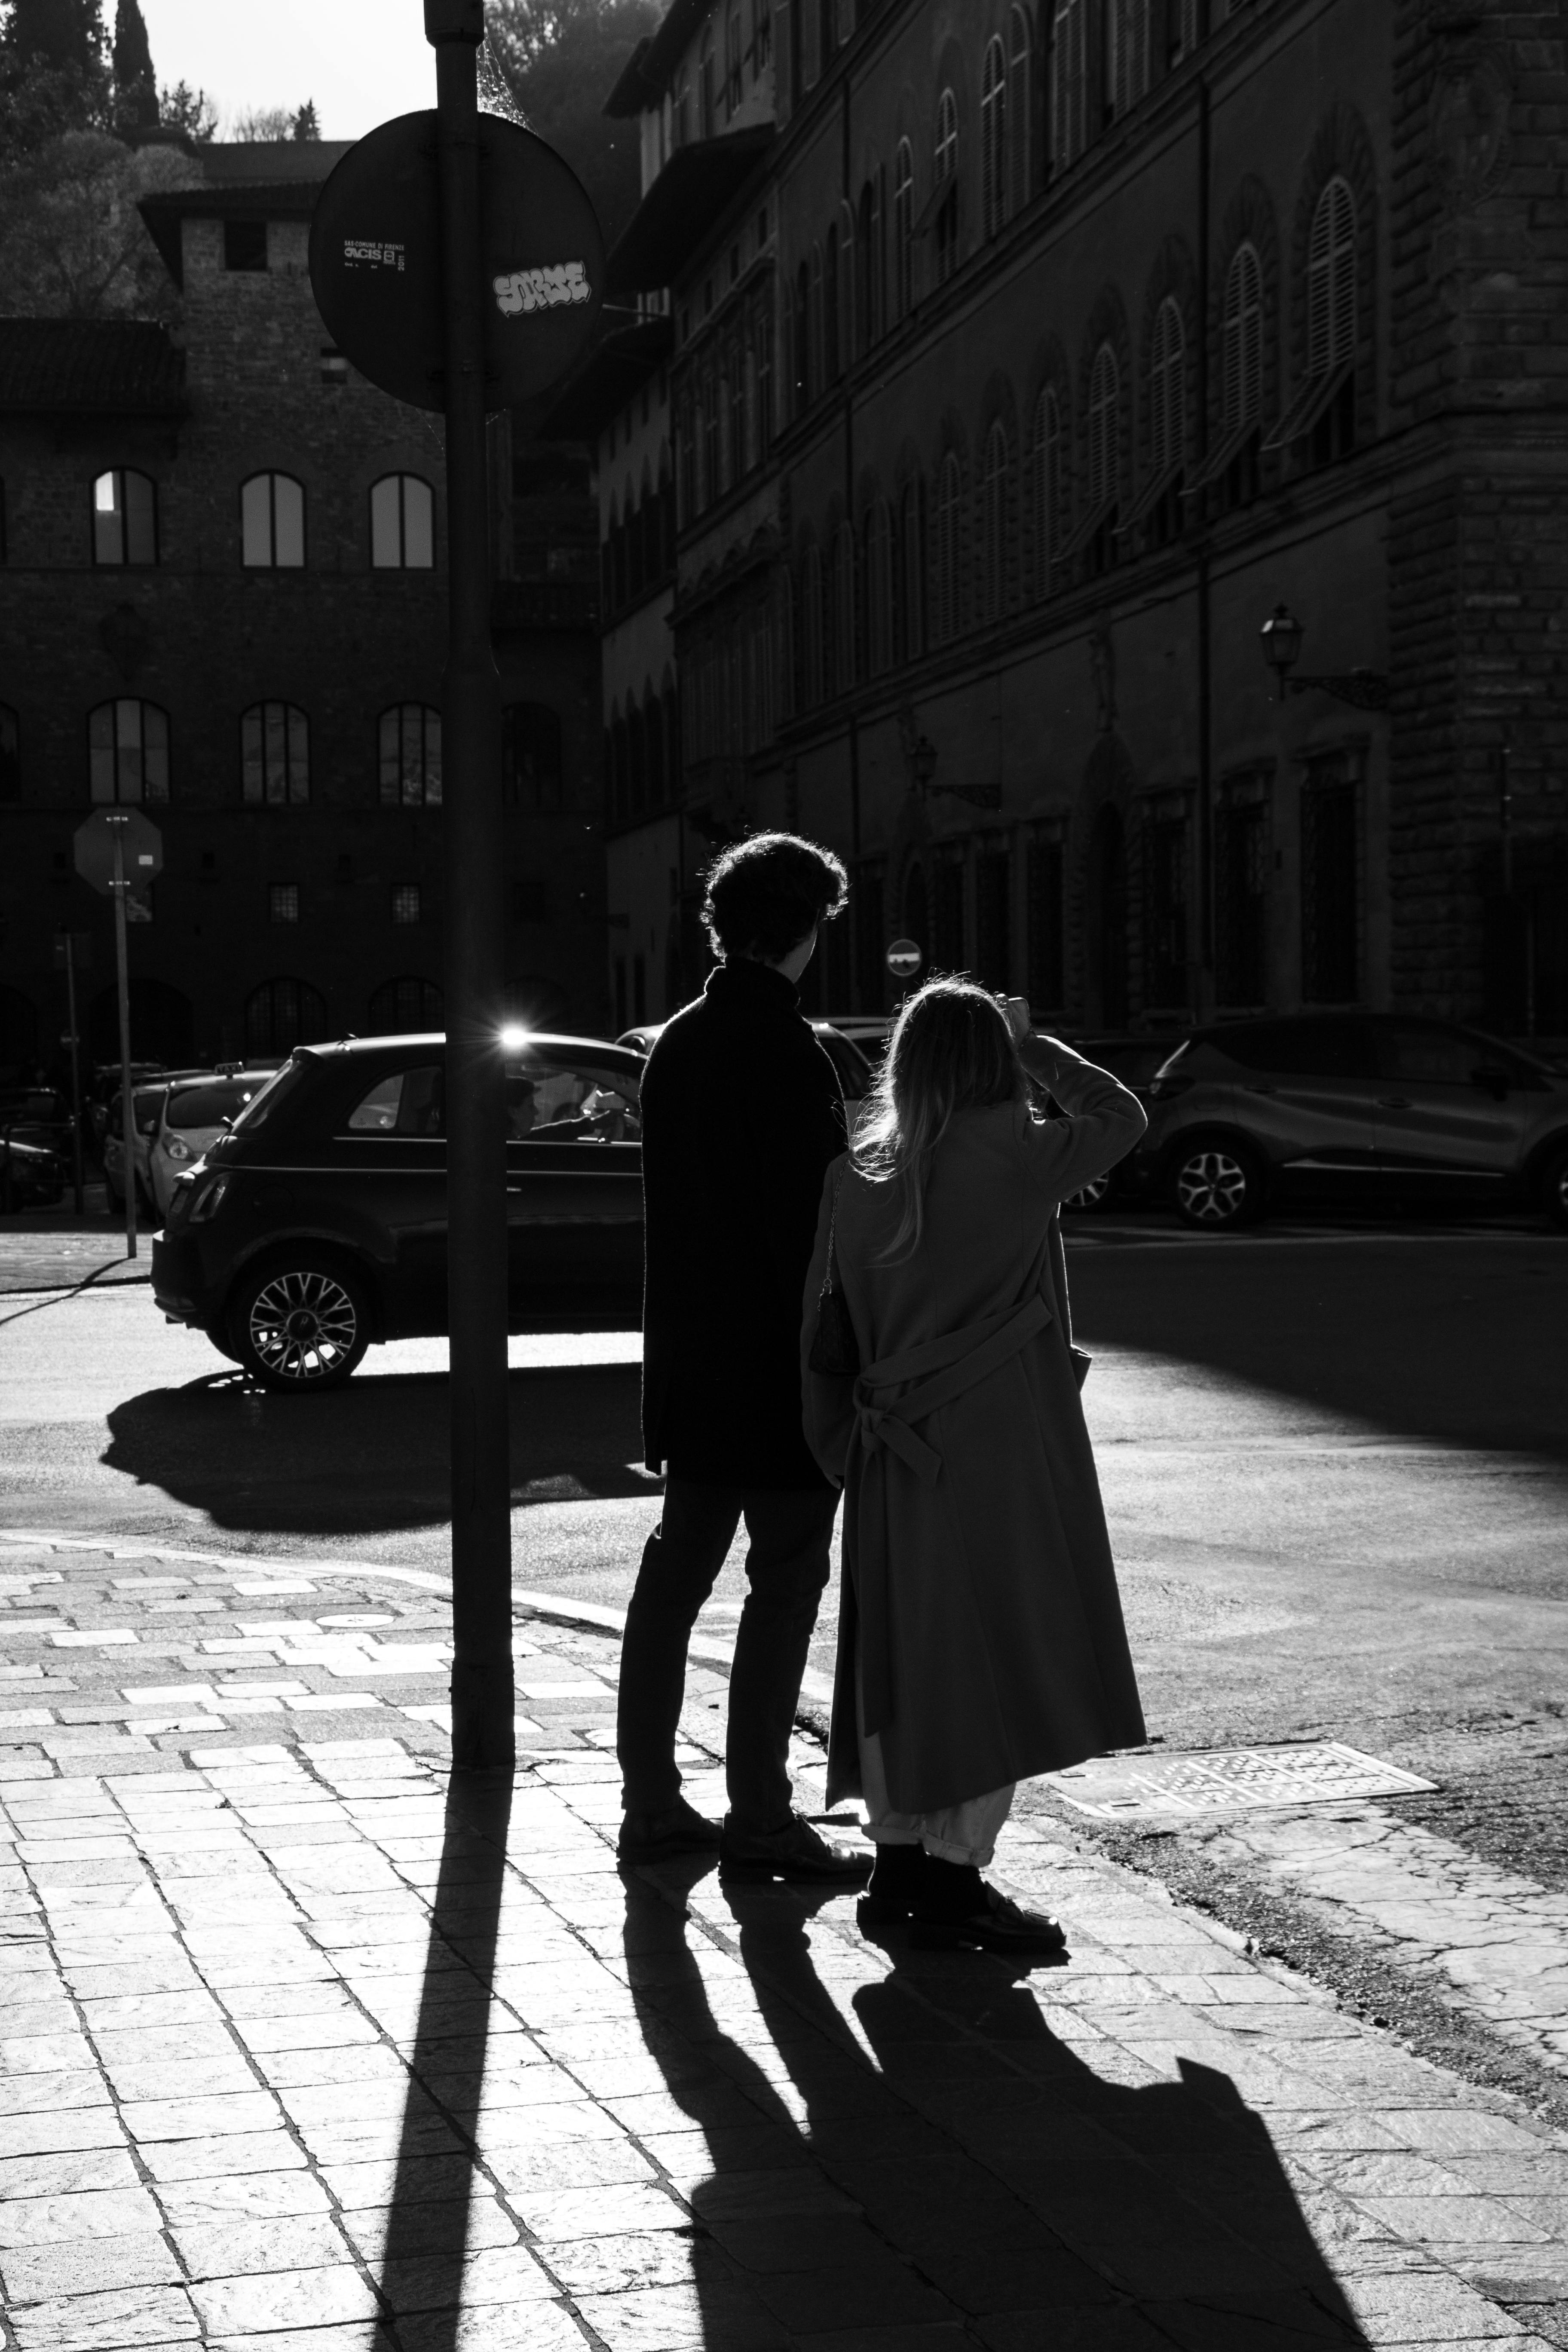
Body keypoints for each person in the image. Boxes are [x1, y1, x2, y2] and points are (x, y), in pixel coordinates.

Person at [801, 978, 1148, 1957]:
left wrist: (841, 1450)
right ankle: (952, 1877)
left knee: (905, 1652)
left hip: (889, 1449)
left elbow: (821, 1336)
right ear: (995, 1064)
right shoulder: (1024, 1155)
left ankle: (900, 1863)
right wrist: (1036, 1048)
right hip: (998, 1439)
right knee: (998, 1650)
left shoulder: (853, 1177)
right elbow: (1120, 1113)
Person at [616, 832, 872, 1886]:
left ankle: (652, 1804)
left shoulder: (677, 1041)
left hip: (691, 1356)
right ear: (807, 929)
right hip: (777, 1367)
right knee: (787, 1580)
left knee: (676, 1576)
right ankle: (761, 1815)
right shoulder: (789, 1049)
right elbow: (818, 1226)